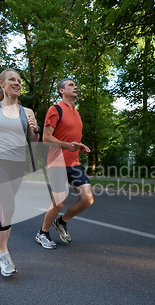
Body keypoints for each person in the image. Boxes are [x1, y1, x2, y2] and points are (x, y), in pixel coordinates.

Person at [0, 69, 40, 276]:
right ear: (2, 84)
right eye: (12, 79)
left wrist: (35, 129)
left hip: (17, 164)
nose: (17, 83)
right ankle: (4, 255)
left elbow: (33, 141)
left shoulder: (27, 112)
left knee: (3, 204)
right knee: (9, 207)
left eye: (19, 81)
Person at [35, 78, 94, 249]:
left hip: (74, 163)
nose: (75, 87)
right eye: (70, 85)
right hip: (57, 162)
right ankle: (42, 233)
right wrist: (66, 145)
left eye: (75, 84)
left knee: (87, 199)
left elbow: (72, 138)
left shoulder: (76, 113)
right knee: (59, 202)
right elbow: (46, 138)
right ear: (61, 91)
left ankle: (61, 222)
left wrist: (78, 145)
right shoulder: (55, 110)